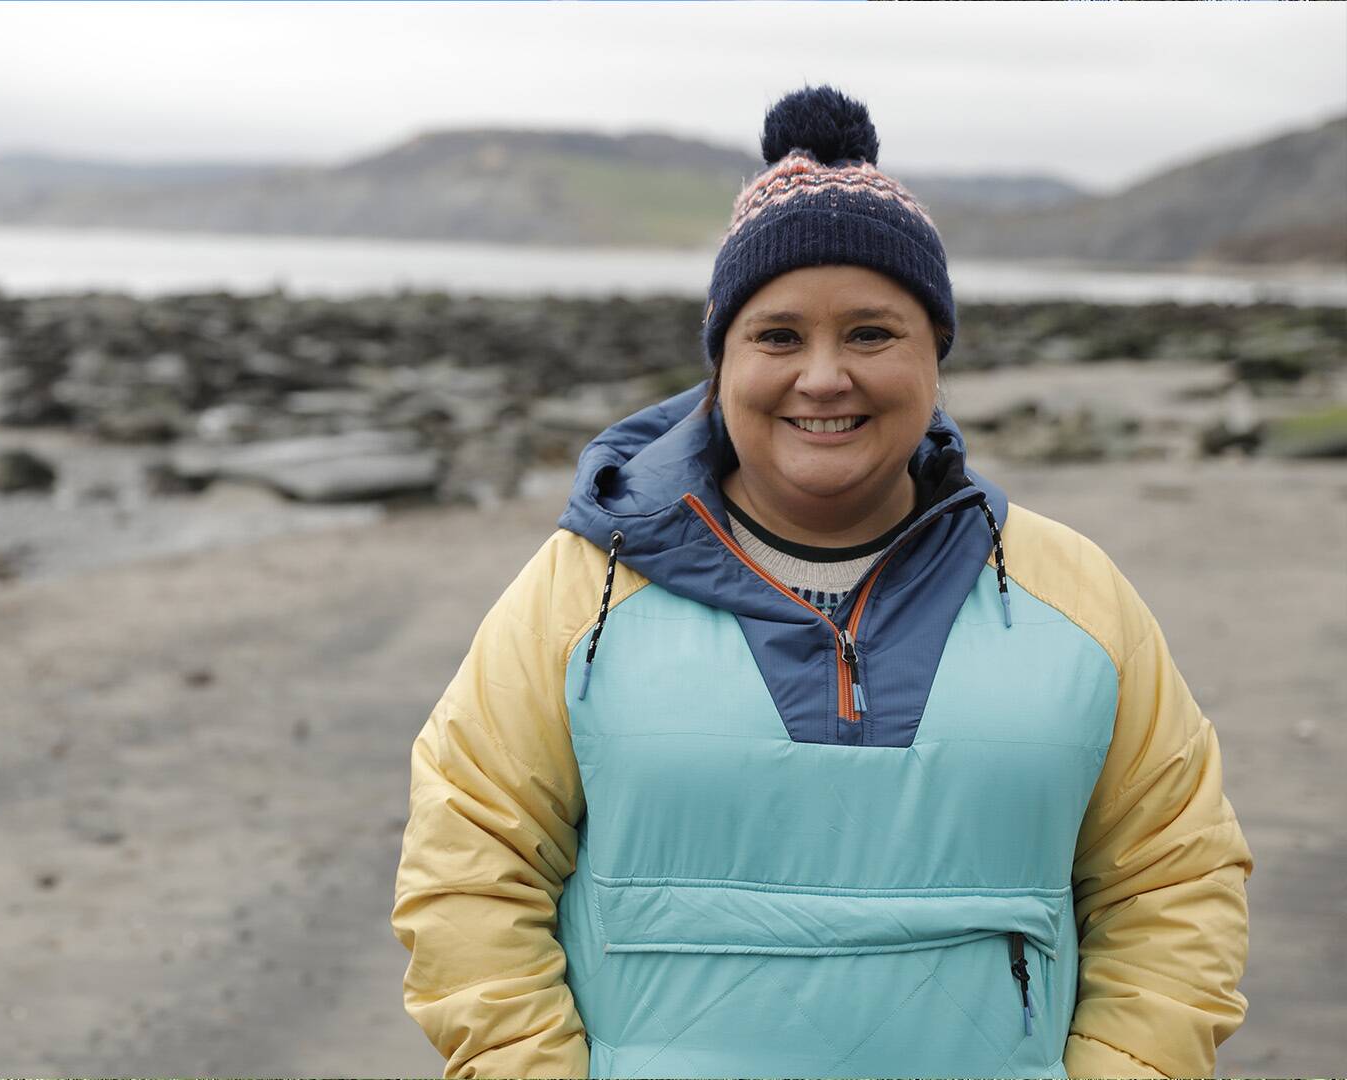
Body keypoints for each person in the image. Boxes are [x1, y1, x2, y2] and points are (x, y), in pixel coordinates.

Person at [391, 86, 1252, 1078]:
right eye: (779, 336)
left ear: (937, 356)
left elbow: (1175, 879)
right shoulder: (581, 590)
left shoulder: (1077, 597)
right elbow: (467, 868)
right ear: (721, 363)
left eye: (873, 334)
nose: (825, 377)